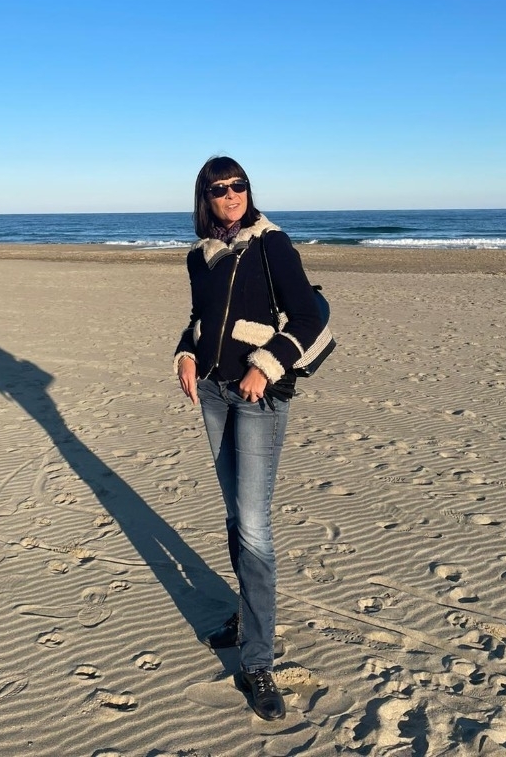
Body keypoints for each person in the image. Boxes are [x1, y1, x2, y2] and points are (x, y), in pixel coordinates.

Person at [174, 155, 324, 721]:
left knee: (255, 527)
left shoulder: (271, 244)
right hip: (213, 393)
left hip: (259, 397)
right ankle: (248, 611)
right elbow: (199, 317)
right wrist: (184, 353)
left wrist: (265, 365)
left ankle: (258, 660)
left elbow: (307, 318)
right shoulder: (200, 256)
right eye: (219, 189)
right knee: (237, 517)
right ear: (206, 198)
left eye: (238, 185)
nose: (231, 195)